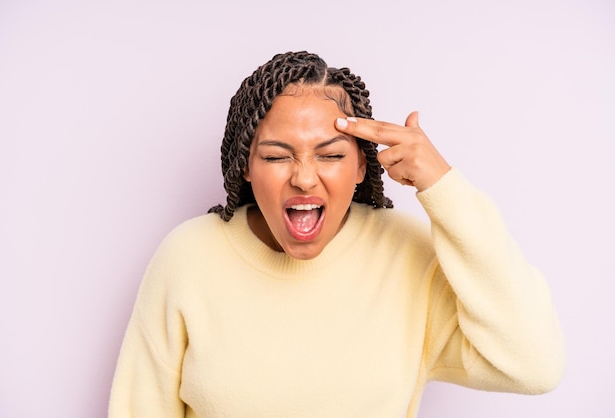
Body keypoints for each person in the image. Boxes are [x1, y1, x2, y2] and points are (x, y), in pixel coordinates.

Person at [108, 51, 564, 417]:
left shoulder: (407, 254)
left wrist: (442, 186)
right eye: (275, 156)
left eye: (330, 155)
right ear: (245, 166)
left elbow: (533, 365)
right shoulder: (189, 257)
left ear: (363, 163)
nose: (304, 179)